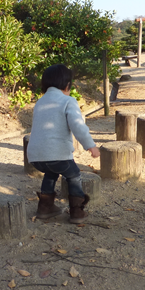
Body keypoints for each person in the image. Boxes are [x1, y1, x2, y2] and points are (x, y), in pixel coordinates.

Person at [27, 64, 100, 224]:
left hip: (35, 157)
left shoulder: (39, 103)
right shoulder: (68, 101)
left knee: (51, 172)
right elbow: (77, 126)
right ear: (67, 85)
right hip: (57, 154)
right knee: (73, 175)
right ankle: (76, 211)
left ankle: (45, 208)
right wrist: (90, 145)